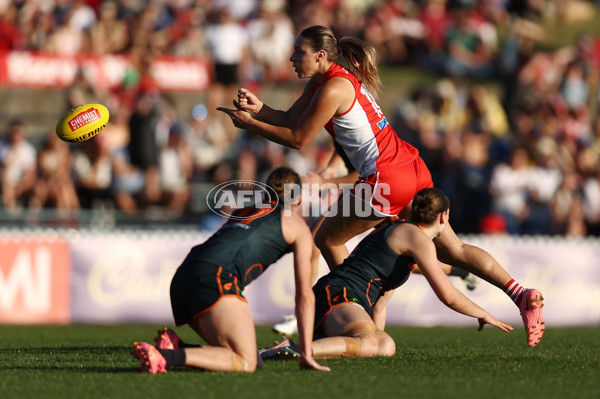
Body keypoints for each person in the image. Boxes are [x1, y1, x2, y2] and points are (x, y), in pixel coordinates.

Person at [219, 25, 545, 347]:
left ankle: (350, 308)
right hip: (410, 166)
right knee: (452, 249)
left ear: (319, 55)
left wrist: (251, 126)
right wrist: (259, 109)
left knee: (326, 238)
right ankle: (520, 292)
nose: (291, 58)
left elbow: (298, 139)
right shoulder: (325, 81)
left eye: (299, 52)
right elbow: (291, 120)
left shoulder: (331, 89)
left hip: (384, 178)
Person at [263, 188, 516, 360]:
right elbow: (447, 295)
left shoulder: (403, 232)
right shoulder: (417, 238)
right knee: (370, 342)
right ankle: (295, 349)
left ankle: (315, 343)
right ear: (444, 216)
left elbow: (381, 301)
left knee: (385, 345)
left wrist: (375, 330)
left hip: (343, 297)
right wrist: (483, 313)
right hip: (338, 294)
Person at [130, 167, 329, 374]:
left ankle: (176, 346)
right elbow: (304, 295)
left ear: (264, 193)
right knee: (247, 362)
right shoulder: (297, 225)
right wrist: (306, 353)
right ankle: (165, 357)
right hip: (215, 278)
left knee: (248, 357)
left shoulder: (243, 211)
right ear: (298, 199)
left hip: (184, 274)